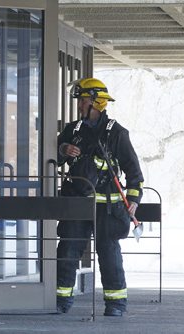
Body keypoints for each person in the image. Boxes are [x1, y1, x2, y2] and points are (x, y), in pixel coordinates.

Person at [56, 78, 144, 317]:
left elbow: (134, 173)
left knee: (109, 253)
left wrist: (134, 200)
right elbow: (53, 156)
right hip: (76, 203)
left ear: (96, 103)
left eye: (83, 100)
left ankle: (115, 304)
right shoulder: (72, 130)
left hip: (108, 207)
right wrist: (63, 149)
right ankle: (60, 300)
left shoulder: (116, 133)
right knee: (67, 249)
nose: (79, 106)